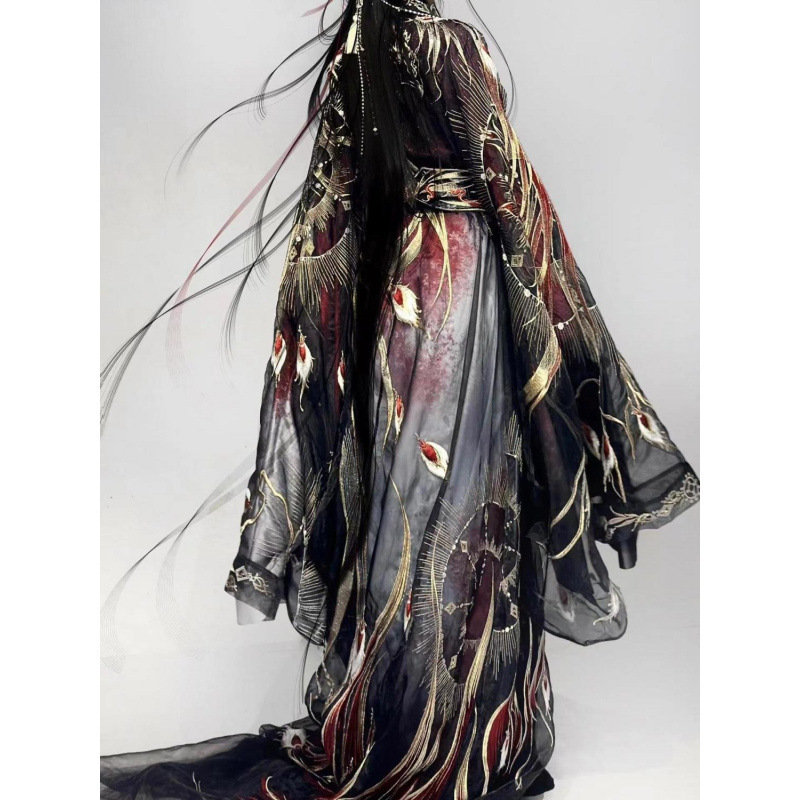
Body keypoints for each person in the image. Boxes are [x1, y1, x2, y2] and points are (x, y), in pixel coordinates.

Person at [100, 1, 699, 798]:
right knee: (468, 496)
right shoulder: (450, 45)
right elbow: (510, 189)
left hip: (399, 289)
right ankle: (458, 730)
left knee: (409, 498)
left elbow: (334, 204)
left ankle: (397, 710)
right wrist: (574, 335)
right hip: (466, 287)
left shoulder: (360, 49)